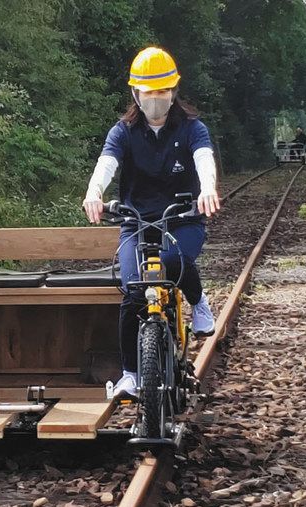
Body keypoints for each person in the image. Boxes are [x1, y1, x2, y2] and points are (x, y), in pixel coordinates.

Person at [82, 47, 221, 398]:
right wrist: (94, 192)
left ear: (173, 92)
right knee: (132, 291)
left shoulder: (192, 128)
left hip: (182, 219)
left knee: (174, 262)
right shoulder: (123, 131)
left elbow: (204, 158)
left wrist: (207, 189)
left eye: (163, 91)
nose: (156, 99)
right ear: (136, 94)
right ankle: (131, 373)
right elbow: (106, 163)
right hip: (137, 222)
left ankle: (198, 300)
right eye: (149, 92)